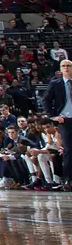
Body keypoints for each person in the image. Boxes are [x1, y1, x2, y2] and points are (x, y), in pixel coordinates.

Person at [44, 57, 72, 191]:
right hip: (65, 120)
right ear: (60, 69)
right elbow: (46, 101)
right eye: (64, 66)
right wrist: (53, 116)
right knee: (68, 150)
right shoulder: (55, 83)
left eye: (69, 66)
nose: (66, 68)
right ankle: (67, 179)